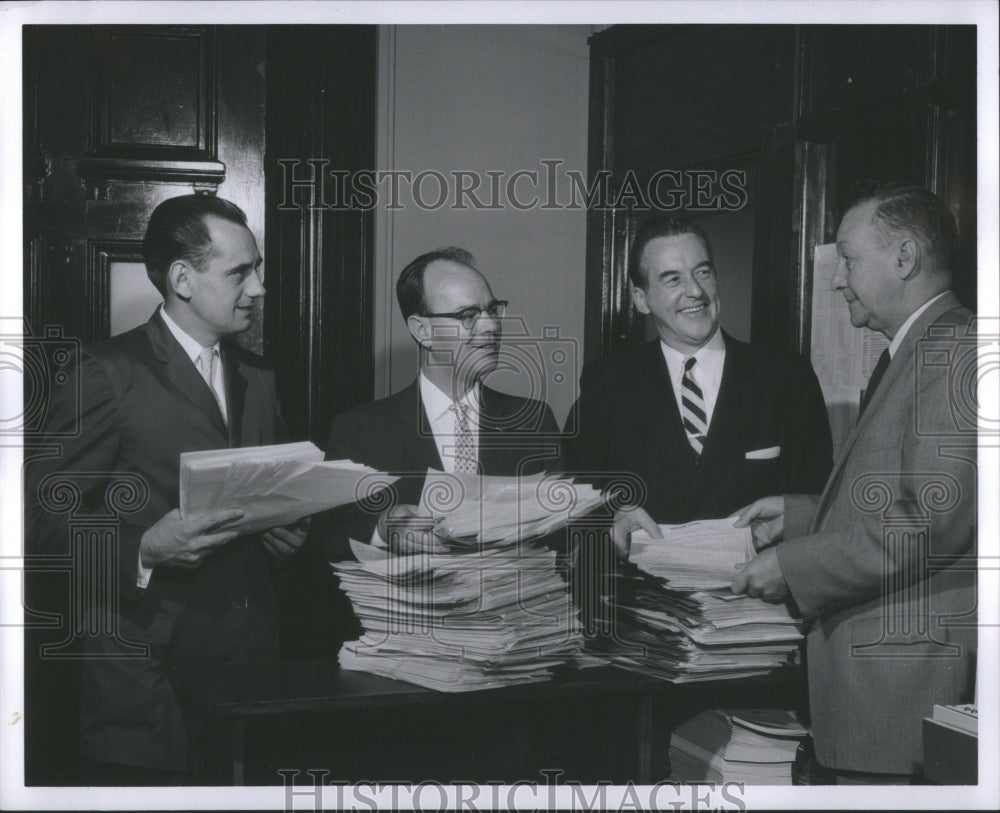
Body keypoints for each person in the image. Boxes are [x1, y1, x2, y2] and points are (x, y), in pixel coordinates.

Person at [24, 194, 306, 784]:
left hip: (250, 675)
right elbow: (38, 527)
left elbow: (273, 489)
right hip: (149, 686)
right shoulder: (103, 374)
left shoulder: (260, 377)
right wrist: (144, 549)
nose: (258, 288)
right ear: (183, 278)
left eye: (256, 270)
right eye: (239, 272)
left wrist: (289, 527)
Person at [731, 181, 977, 783]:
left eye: (847, 257)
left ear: (904, 259)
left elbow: (926, 526)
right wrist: (799, 515)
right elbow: (897, 500)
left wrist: (796, 565)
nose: (837, 279)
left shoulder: (955, 353)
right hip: (878, 702)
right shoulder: (918, 349)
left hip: (899, 701)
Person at [562, 216, 833, 554]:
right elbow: (565, 495)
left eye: (702, 272)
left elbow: (822, 503)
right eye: (672, 279)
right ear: (641, 299)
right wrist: (609, 519)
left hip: (756, 596)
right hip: (641, 597)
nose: (695, 291)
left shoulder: (787, 377)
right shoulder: (607, 382)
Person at [315, 247, 562, 563]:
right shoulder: (359, 431)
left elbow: (565, 532)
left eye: (492, 310)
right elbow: (325, 540)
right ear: (423, 330)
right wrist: (381, 529)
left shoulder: (534, 421)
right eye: (468, 315)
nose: (491, 327)